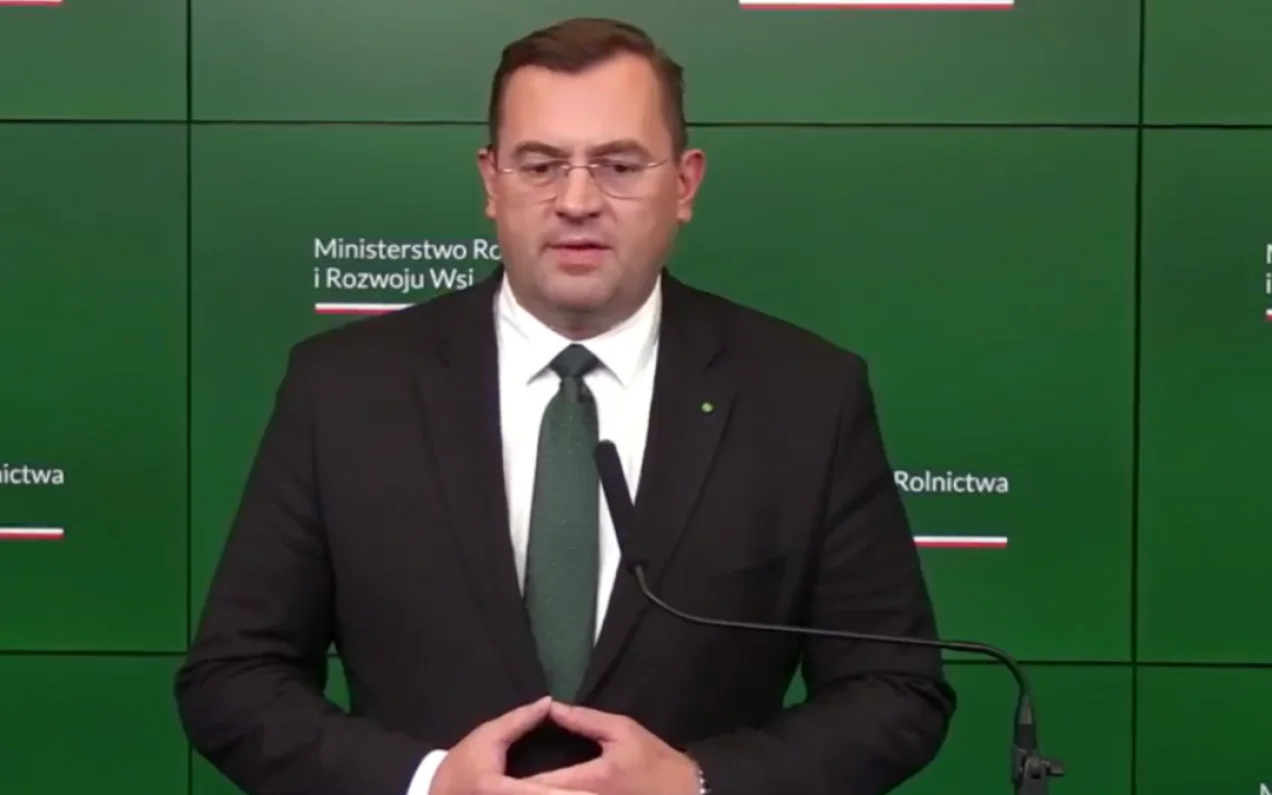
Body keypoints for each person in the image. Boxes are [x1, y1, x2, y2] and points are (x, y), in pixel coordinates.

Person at [175, 16, 956, 795]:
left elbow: (895, 691)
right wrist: (427, 782)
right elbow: (234, 679)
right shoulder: (344, 389)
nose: (577, 200)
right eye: (541, 165)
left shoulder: (805, 396)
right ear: (491, 181)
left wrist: (698, 782)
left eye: (619, 165)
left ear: (684, 184)